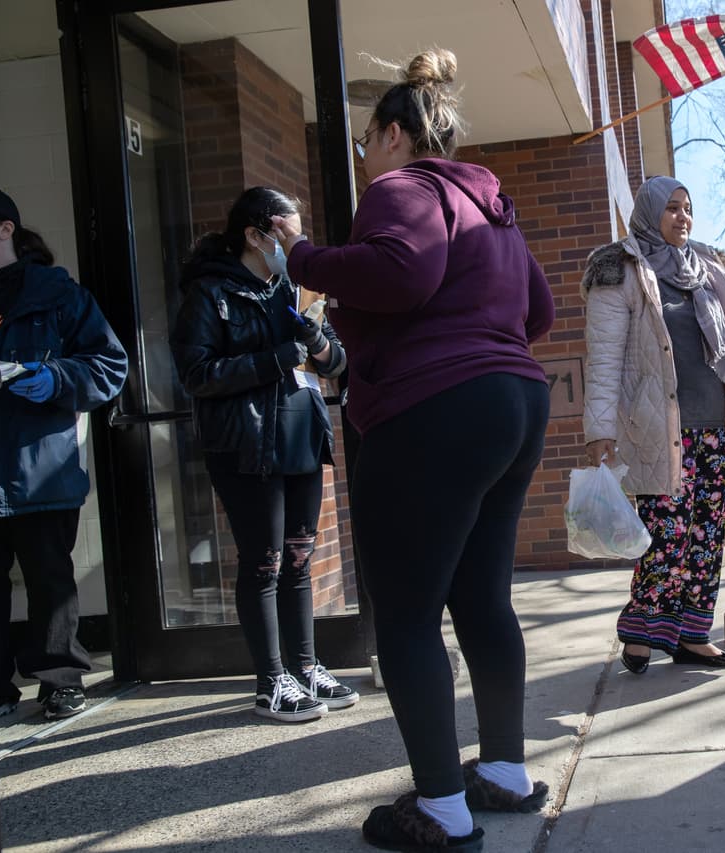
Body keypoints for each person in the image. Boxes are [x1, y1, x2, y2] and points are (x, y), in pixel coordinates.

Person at [269, 48, 555, 852]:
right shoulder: (490, 201)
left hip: (434, 408)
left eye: (366, 140)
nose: (364, 156)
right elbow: (539, 307)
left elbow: (400, 272)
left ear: (395, 134)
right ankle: (501, 772)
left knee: (405, 615)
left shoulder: (401, 188)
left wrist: (304, 257)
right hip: (514, 400)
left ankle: (440, 806)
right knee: (482, 599)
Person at [582, 176, 725, 676]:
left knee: (706, 536)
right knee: (667, 536)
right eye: (671, 208)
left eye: (688, 207)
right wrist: (600, 430)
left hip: (712, 426)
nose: (682, 216)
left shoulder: (707, 270)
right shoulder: (622, 270)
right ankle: (641, 622)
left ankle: (692, 635)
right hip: (659, 431)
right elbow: (605, 358)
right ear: (649, 213)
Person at [171, 187, 359, 724]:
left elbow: (335, 362)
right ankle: (271, 680)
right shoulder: (210, 294)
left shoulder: (291, 290)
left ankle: (305, 666)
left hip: (300, 436)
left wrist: (315, 338)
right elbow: (196, 374)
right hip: (247, 444)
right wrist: (273, 359)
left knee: (299, 559)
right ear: (255, 236)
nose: (295, 244)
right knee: (264, 562)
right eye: (286, 234)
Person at [0, 187, 127, 721]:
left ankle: (59, 682)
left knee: (50, 579)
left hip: (39, 468)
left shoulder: (57, 294)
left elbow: (108, 366)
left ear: (5, 228)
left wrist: (55, 379)